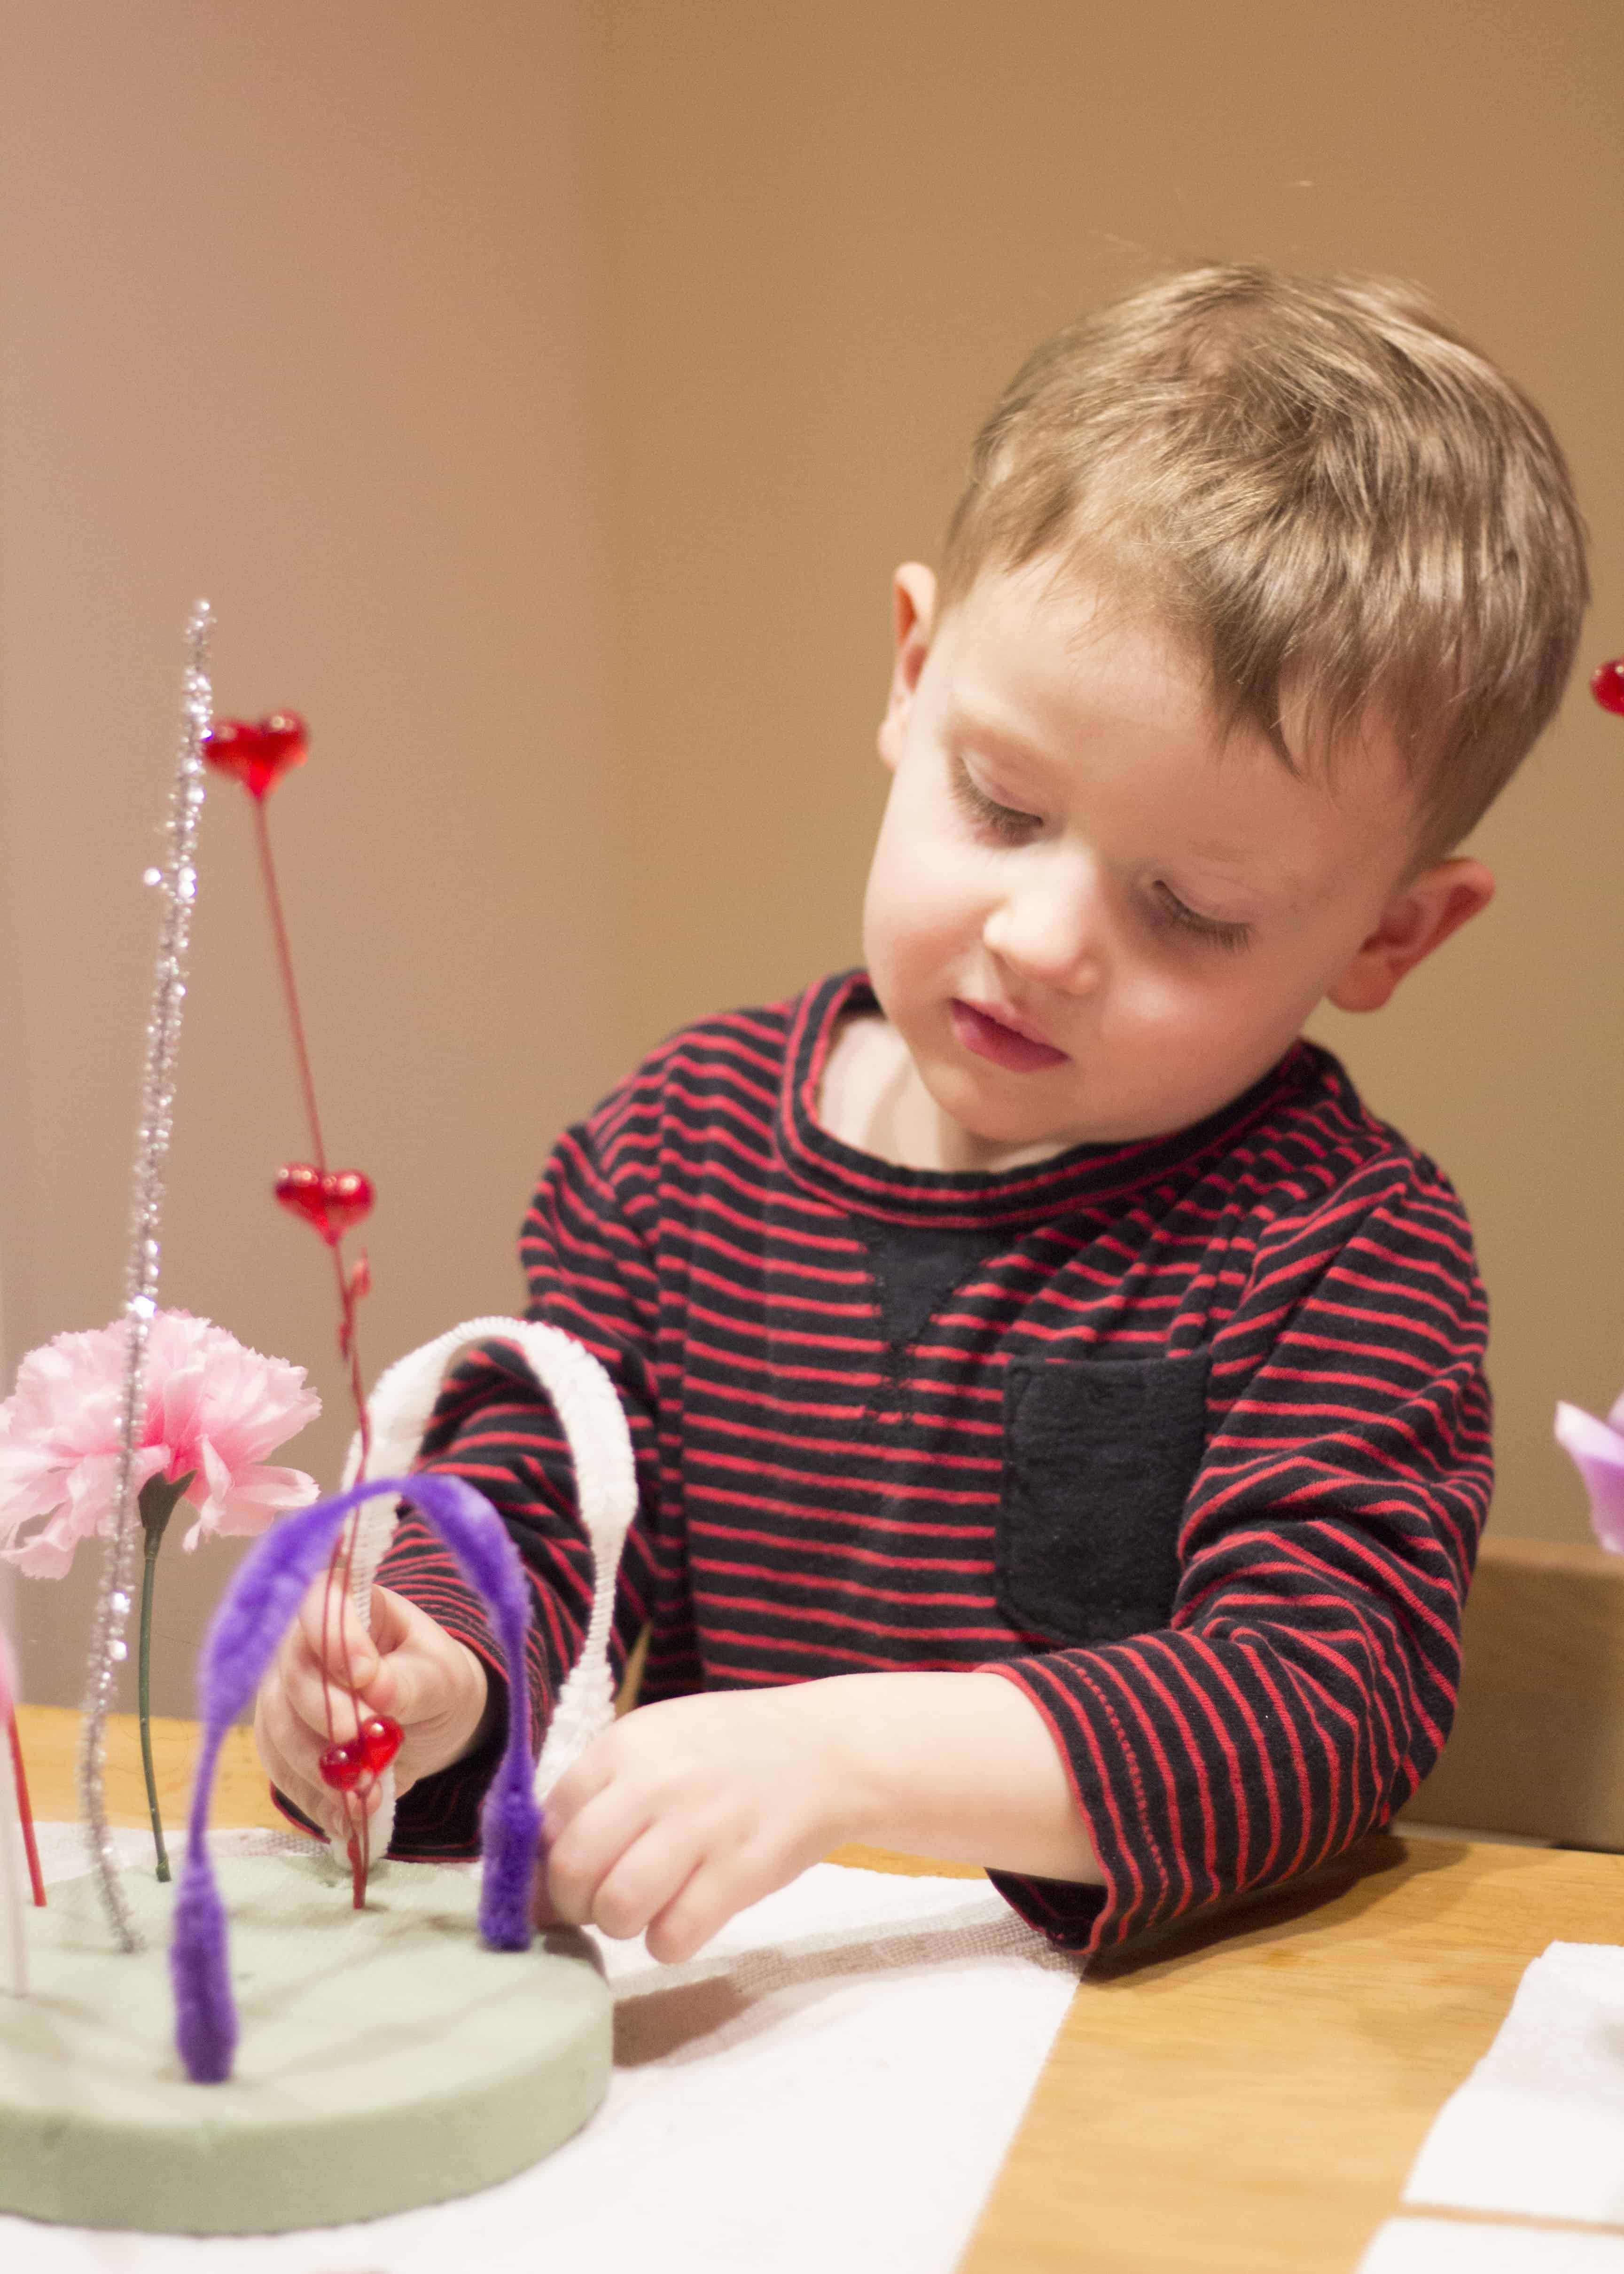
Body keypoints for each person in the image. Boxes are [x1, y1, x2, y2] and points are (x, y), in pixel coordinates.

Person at [255, 264, 1588, 1966]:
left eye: (1190, 907)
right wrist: (429, 1671)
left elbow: (1317, 1701)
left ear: (1393, 931)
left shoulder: (1339, 1245)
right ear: (911, 671)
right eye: (1003, 802)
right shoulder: (672, 1155)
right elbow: (539, 1507)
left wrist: (836, 1751)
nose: (1042, 939)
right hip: (743, 2030)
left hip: (1123, 2081)